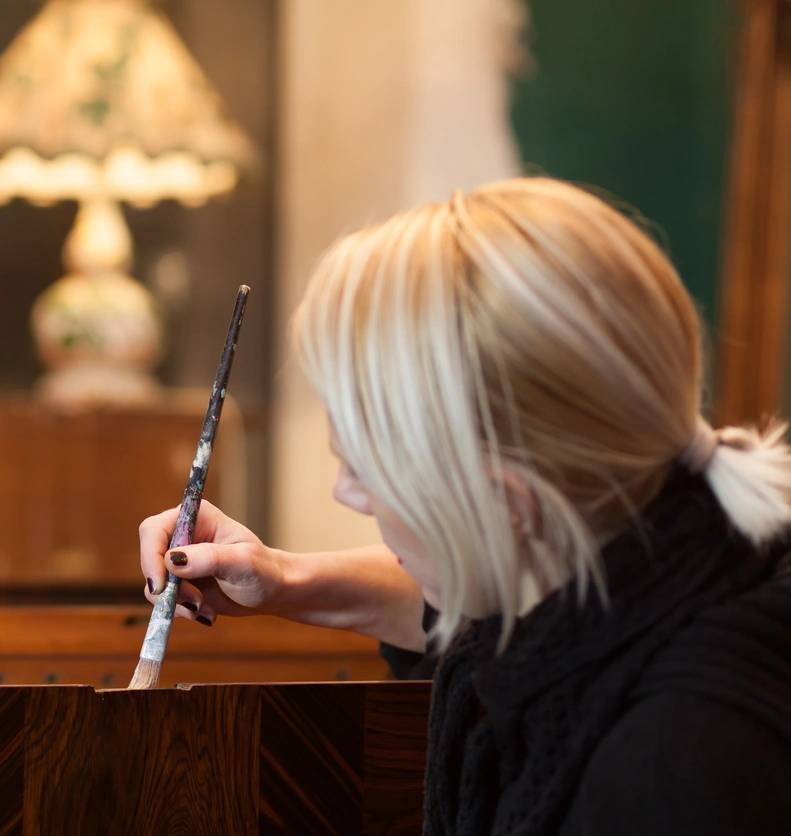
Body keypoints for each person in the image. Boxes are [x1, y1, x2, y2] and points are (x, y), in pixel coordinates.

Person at [138, 178, 791, 835]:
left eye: (363, 471)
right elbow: (462, 606)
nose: (345, 493)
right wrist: (278, 578)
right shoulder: (668, 547)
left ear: (506, 503)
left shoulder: (676, 768)